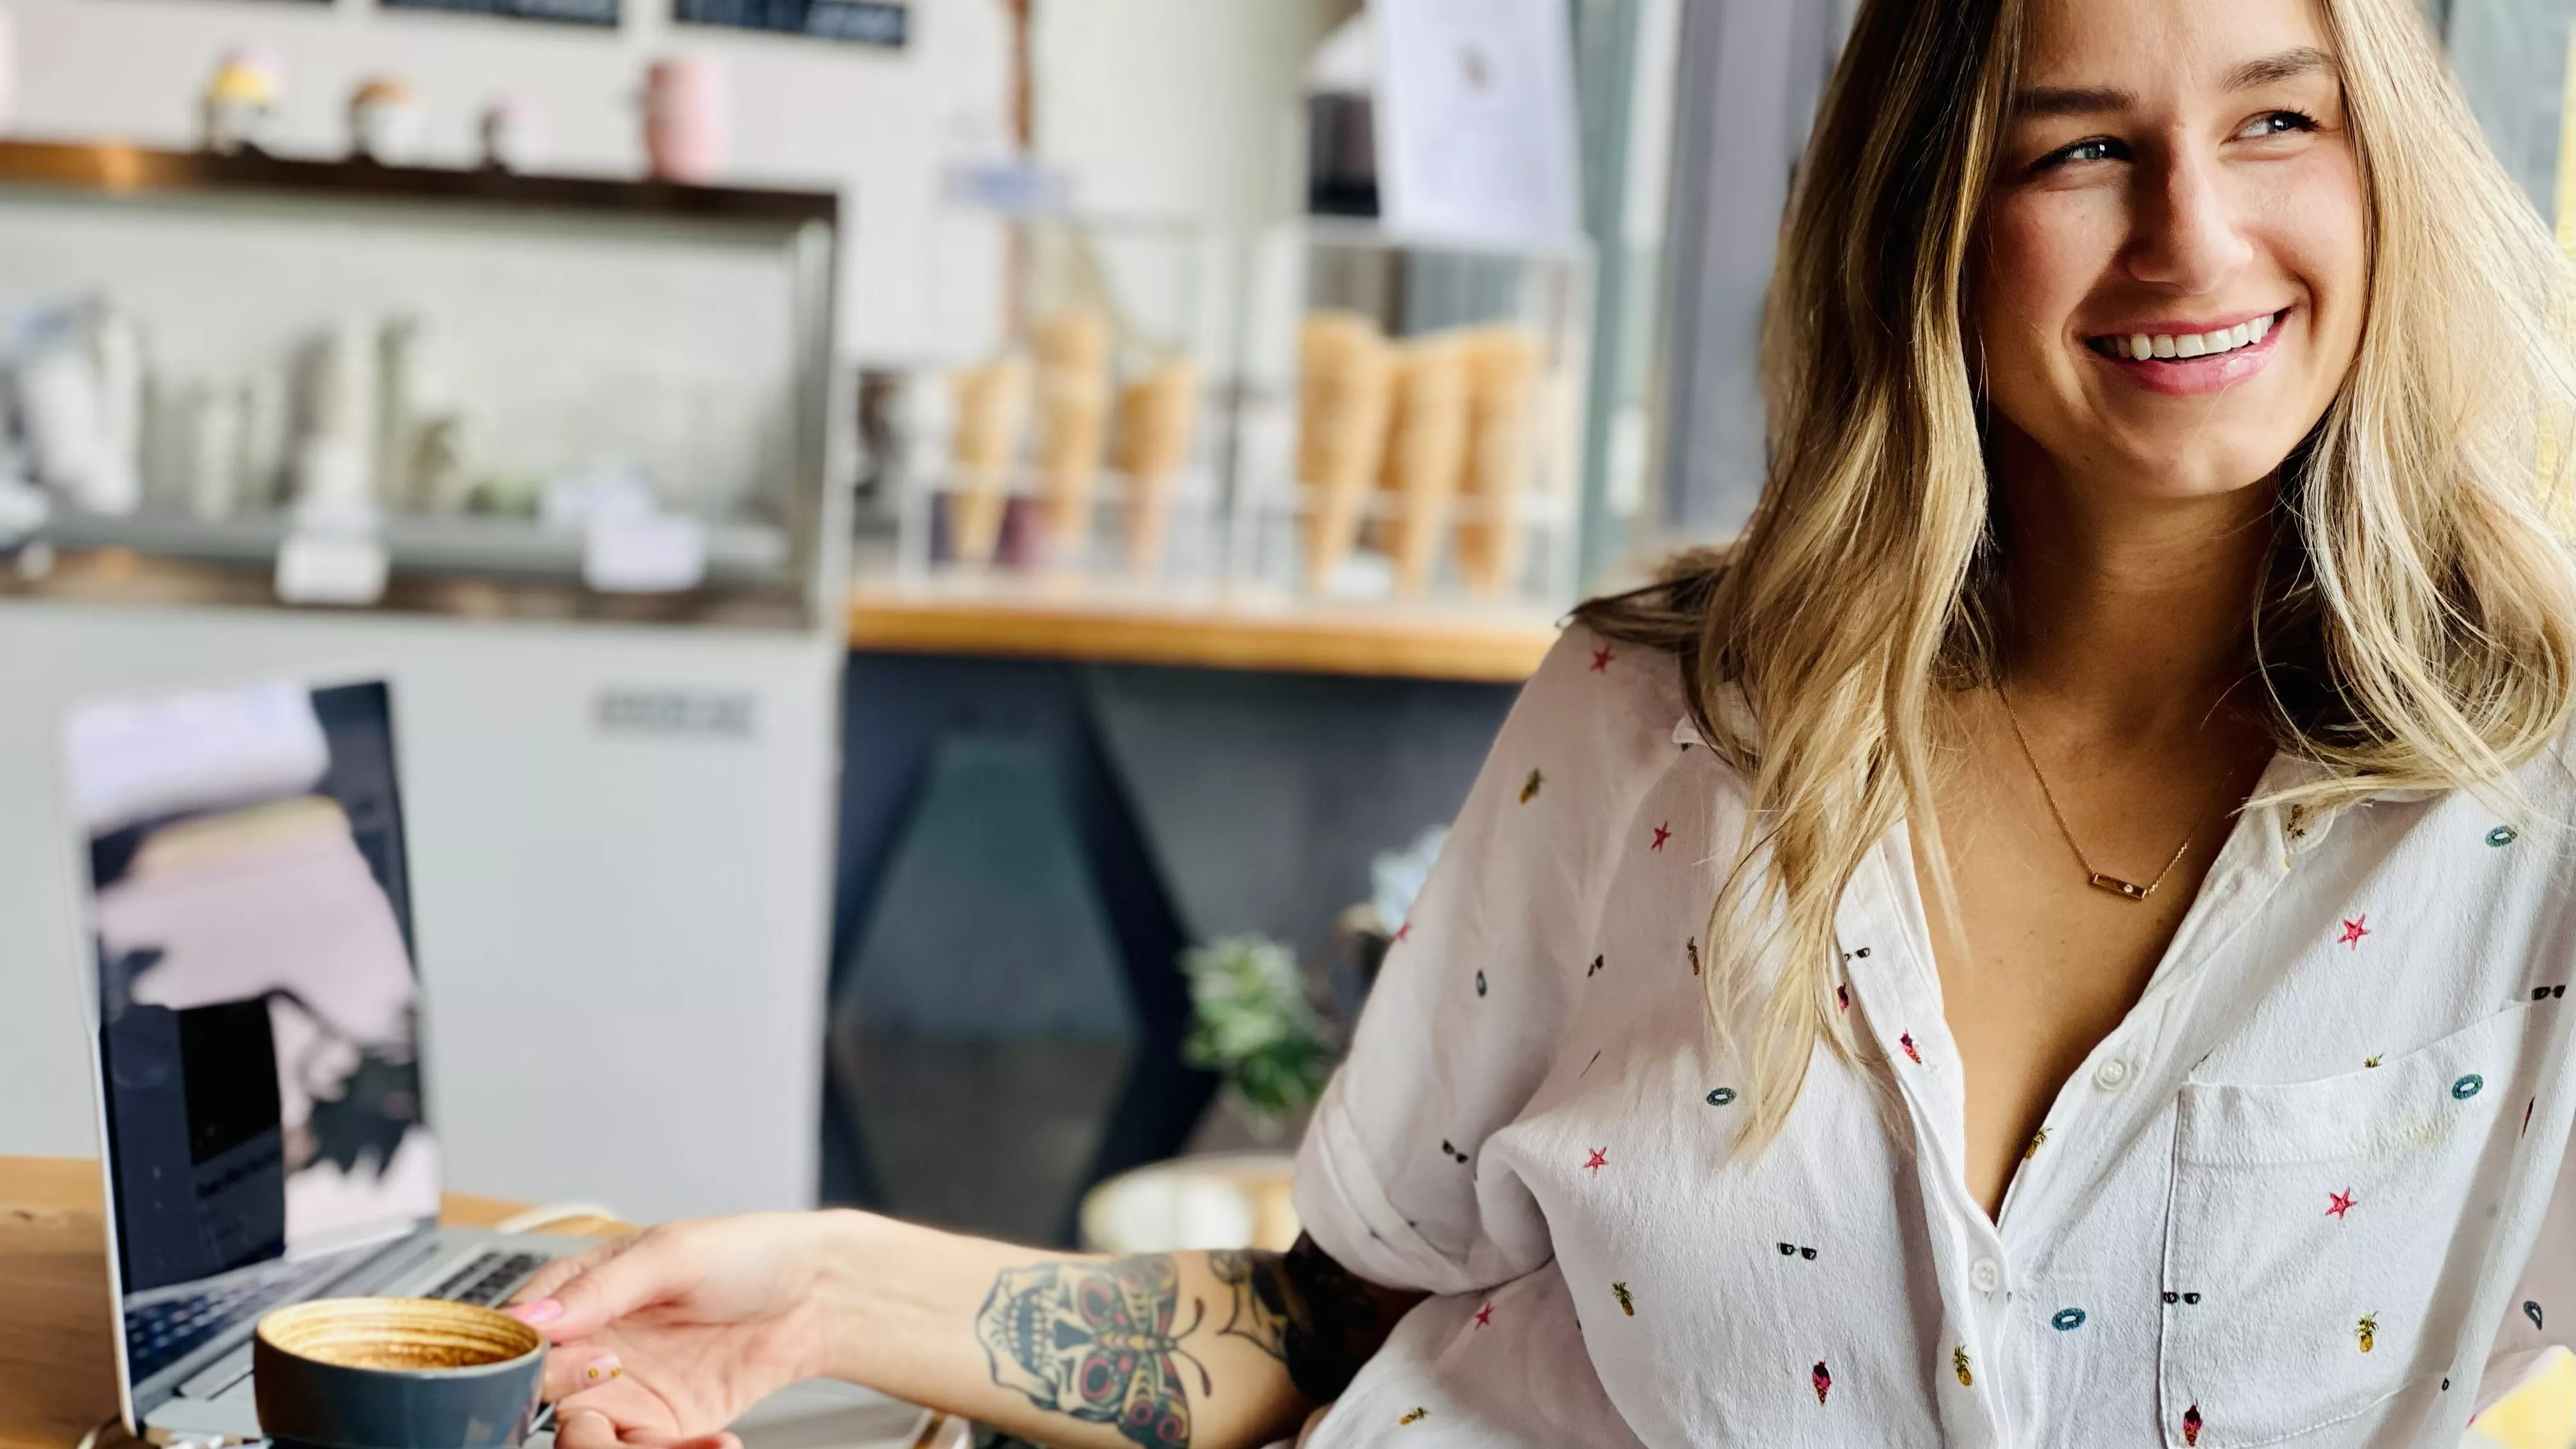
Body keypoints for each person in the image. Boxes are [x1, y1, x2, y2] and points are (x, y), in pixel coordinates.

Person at [505, 0, 2576, 1442]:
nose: (2197, 232)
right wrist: (829, 1291)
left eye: (2277, 119)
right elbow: (1333, 1326)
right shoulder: (1658, 723)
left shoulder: (2530, 801)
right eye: (2084, 144)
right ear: (1932, 217)